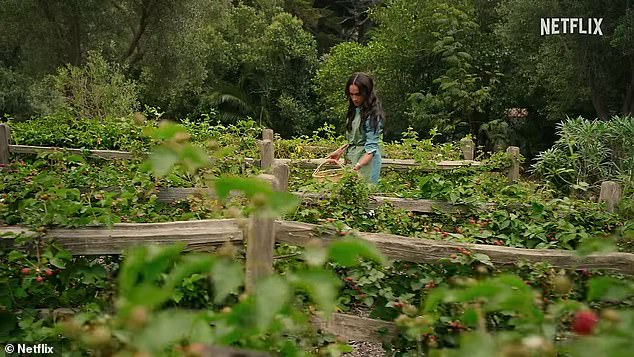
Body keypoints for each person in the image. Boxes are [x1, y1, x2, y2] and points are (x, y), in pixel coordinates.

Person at [327, 72, 385, 184]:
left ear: (366, 93)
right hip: (352, 157)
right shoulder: (354, 111)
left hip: (366, 161)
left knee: (364, 192)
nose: (354, 98)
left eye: (358, 94)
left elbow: (371, 148)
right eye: (351, 94)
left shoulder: (373, 115)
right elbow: (354, 138)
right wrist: (340, 151)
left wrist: (358, 166)